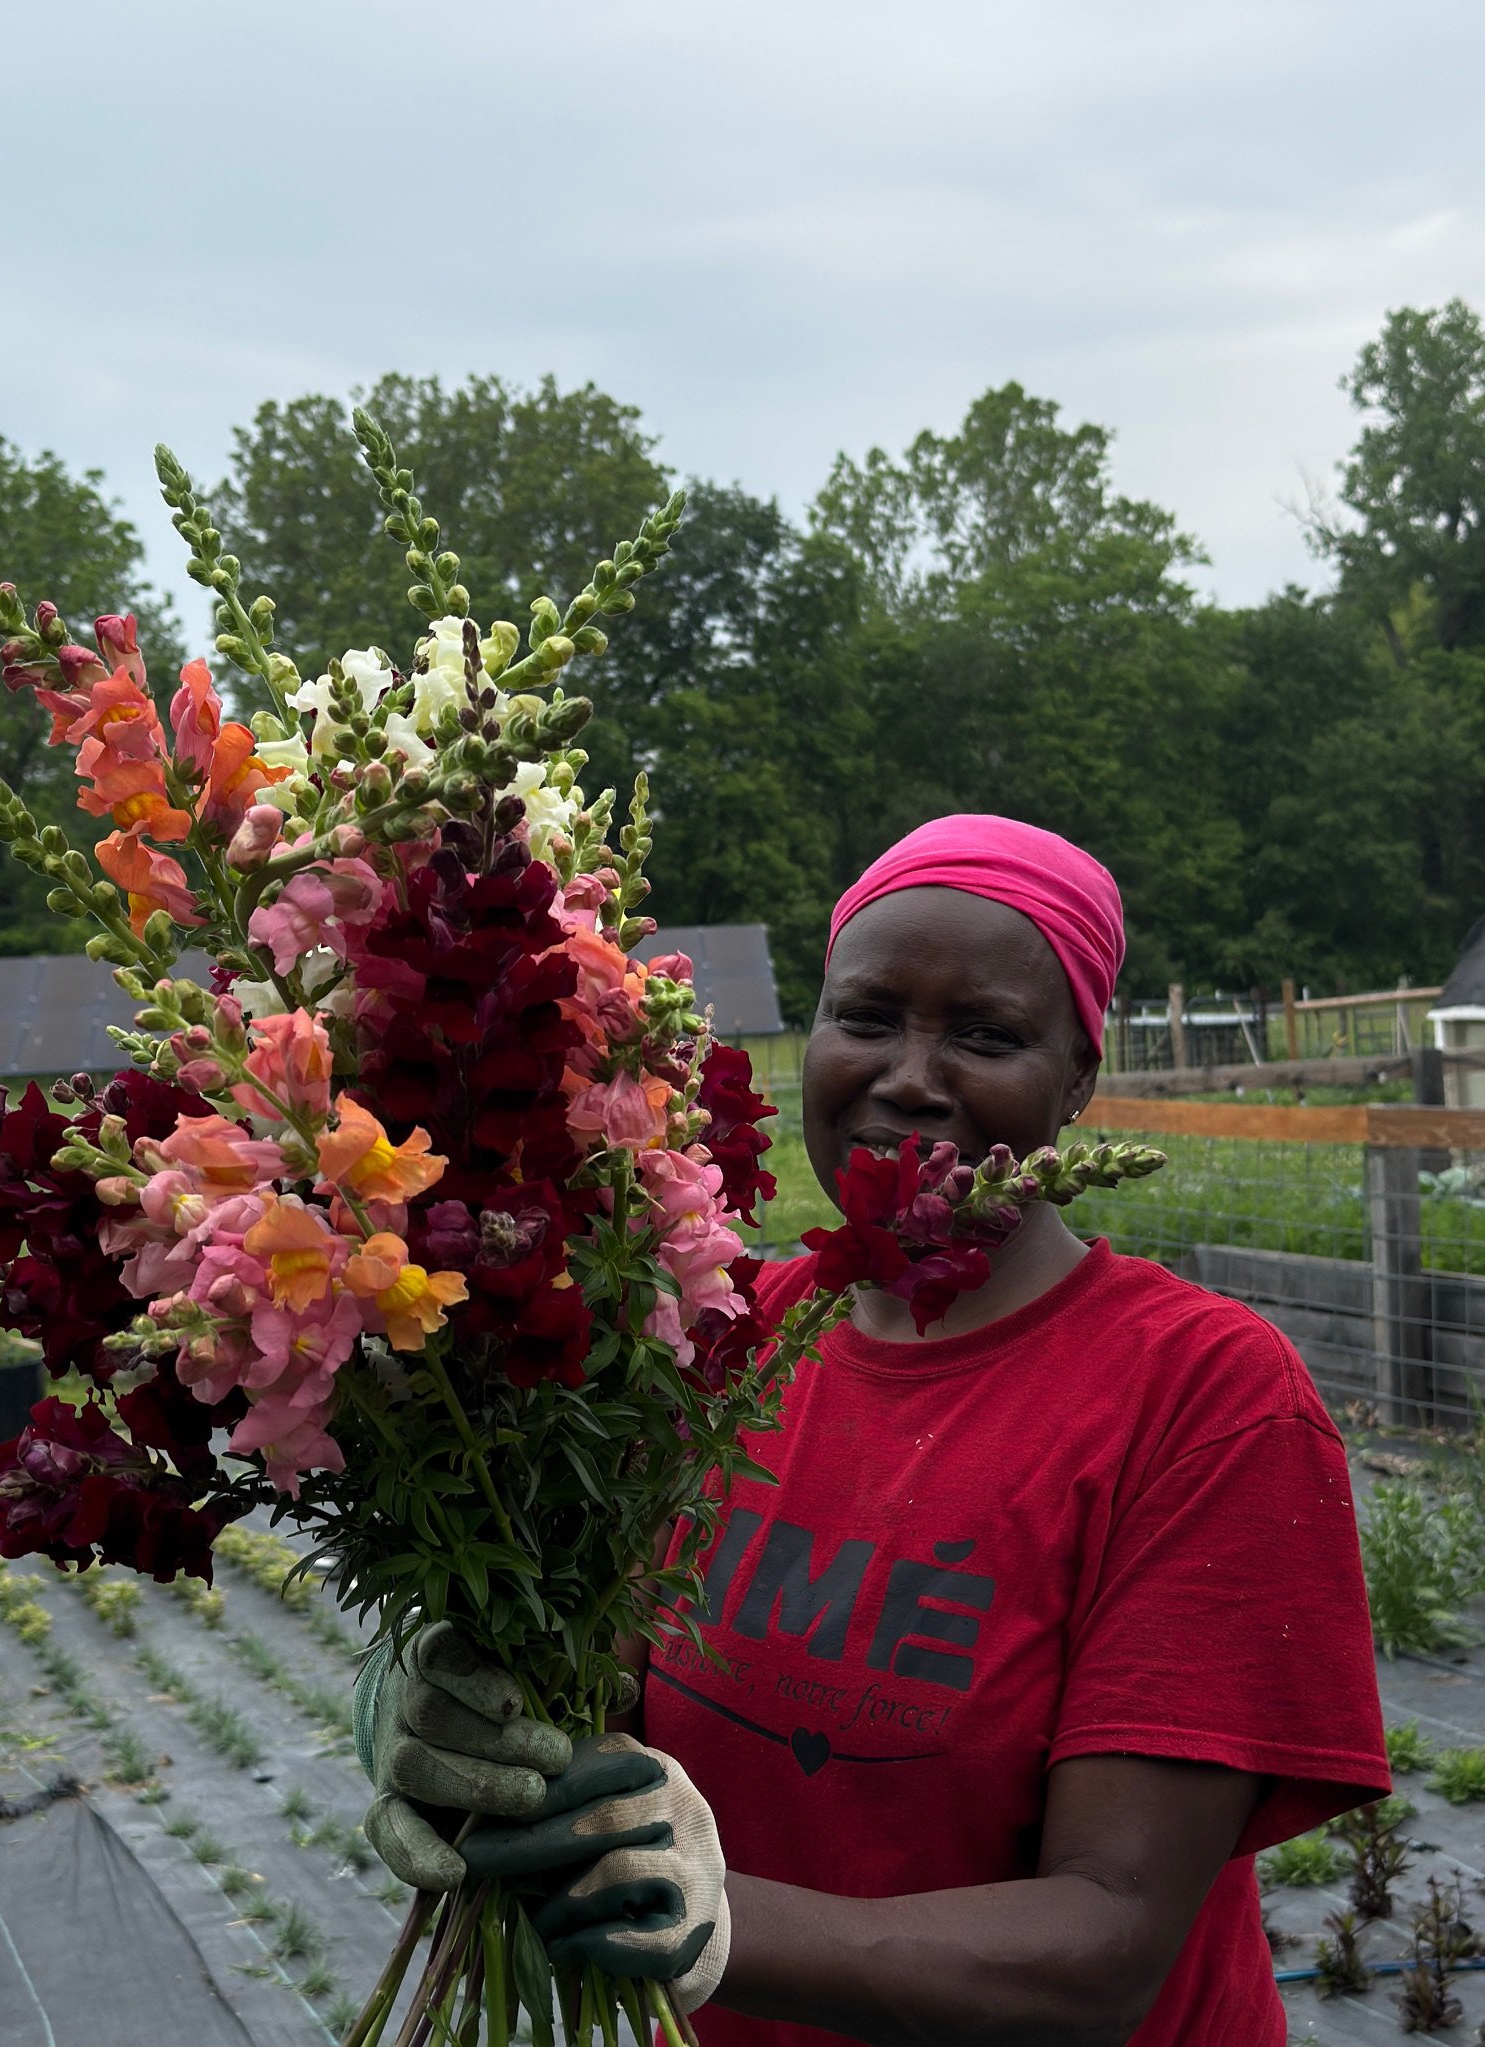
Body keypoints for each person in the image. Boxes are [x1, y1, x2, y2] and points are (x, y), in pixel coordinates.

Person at [355, 815, 1389, 2047]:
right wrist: (456, 1729)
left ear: (1077, 1078)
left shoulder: (1201, 1395)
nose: (908, 1072)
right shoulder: (725, 1328)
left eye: (986, 1033)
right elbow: (603, 1693)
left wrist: (711, 1918)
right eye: (865, 1016)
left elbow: (1105, 1944)